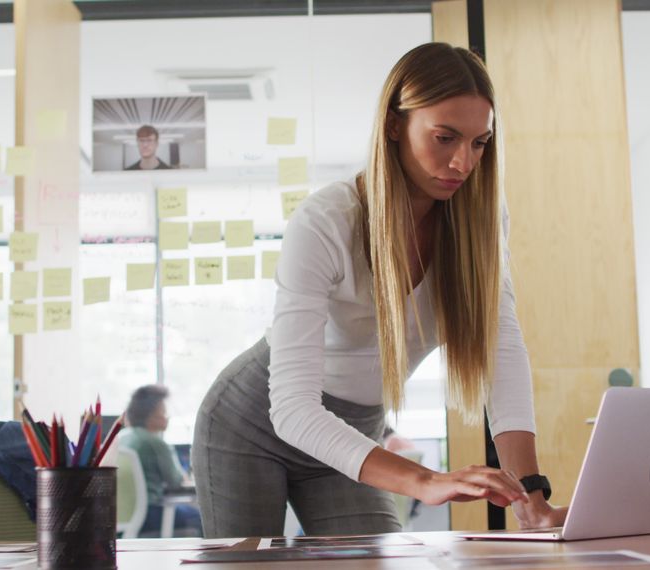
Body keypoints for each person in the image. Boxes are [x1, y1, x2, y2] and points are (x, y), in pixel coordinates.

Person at [191, 42, 568, 539]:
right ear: (394, 124)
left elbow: (502, 352)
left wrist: (532, 497)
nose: (462, 162)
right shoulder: (326, 220)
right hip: (251, 425)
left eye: (479, 143)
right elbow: (293, 409)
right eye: (445, 137)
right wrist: (425, 480)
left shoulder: (482, 222)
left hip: (355, 431)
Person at [118, 385, 201, 537]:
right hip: (151, 514)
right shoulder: (155, 443)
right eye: (163, 412)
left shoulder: (121, 438)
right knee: (199, 518)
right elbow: (176, 482)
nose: (167, 416)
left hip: (123, 518)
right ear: (150, 416)